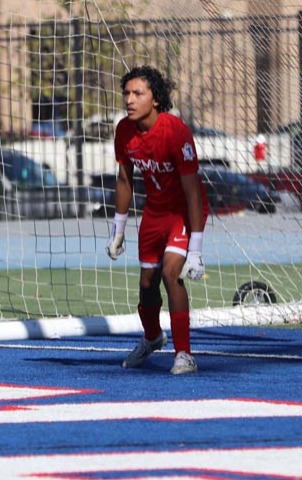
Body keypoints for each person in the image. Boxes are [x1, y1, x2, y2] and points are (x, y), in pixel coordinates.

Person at [106, 65, 209, 375]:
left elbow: (193, 192)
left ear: (155, 99)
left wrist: (195, 249)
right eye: (126, 93)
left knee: (170, 272)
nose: (129, 99)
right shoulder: (124, 131)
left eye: (138, 93)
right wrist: (118, 230)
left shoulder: (175, 130)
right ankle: (152, 337)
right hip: (154, 213)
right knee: (146, 284)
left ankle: (184, 354)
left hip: (182, 211)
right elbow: (124, 181)